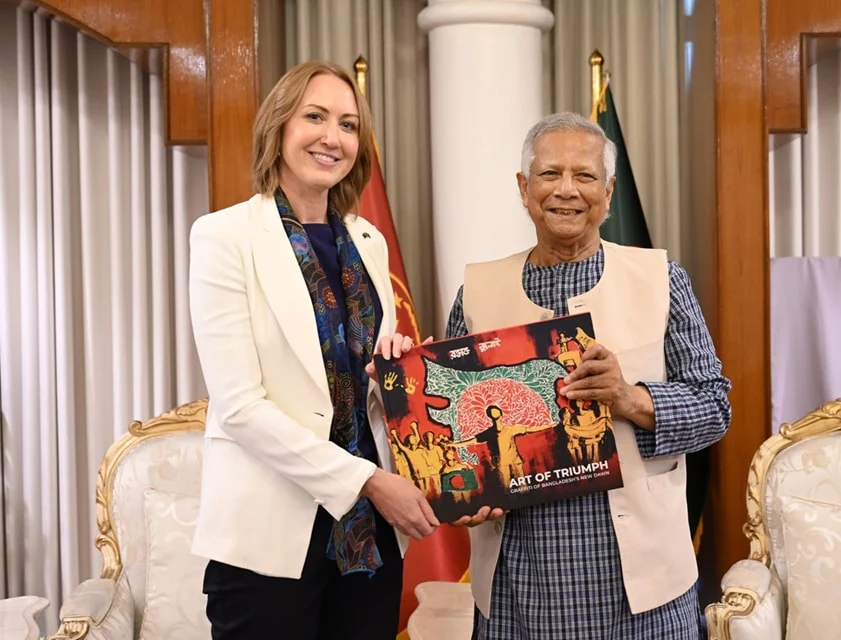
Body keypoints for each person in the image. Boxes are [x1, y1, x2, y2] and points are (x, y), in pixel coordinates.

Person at [445, 112, 732, 640]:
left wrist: (629, 398)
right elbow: (459, 437)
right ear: (523, 188)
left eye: (584, 176)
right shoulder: (477, 293)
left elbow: (715, 408)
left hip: (645, 590)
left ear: (609, 190)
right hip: (516, 588)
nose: (567, 190)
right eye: (550, 174)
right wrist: (463, 491)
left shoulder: (661, 280)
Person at [187, 61, 438, 640]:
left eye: (348, 125)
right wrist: (368, 481)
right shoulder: (224, 237)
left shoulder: (368, 241)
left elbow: (359, 384)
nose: (333, 137)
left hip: (369, 538)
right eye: (316, 117)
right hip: (269, 540)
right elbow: (240, 407)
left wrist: (396, 372)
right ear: (279, 126)